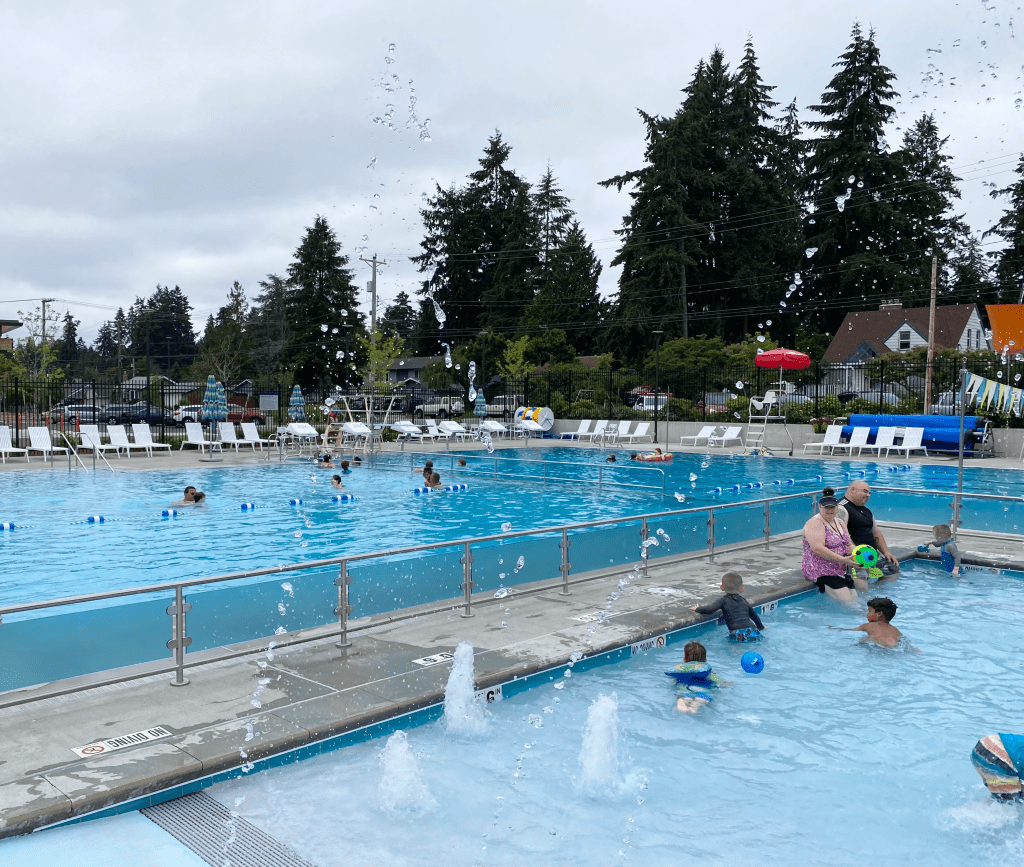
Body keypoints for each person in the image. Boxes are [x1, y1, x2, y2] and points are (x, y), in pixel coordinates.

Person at [802, 488, 860, 602]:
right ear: (819, 507)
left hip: (840, 569)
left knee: (856, 600)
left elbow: (848, 544)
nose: (829, 510)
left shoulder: (839, 522)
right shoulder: (814, 523)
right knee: (849, 603)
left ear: (837, 508)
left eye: (832, 507)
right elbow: (817, 548)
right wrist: (843, 560)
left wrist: (858, 555)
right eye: (826, 507)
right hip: (821, 571)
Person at [838, 481, 900, 576]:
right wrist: (857, 555)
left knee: (893, 572)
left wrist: (886, 552)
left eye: (869, 493)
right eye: (865, 491)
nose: (868, 495)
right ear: (852, 490)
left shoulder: (866, 511)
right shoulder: (841, 507)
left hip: (870, 554)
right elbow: (840, 535)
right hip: (853, 556)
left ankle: (876, 590)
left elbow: (876, 532)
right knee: (862, 583)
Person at [690, 572, 765, 641]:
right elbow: (754, 616)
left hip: (736, 633)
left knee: (734, 647)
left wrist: (697, 609)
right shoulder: (743, 600)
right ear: (741, 589)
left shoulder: (723, 600)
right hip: (752, 630)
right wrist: (761, 627)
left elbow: (710, 609)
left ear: (722, 587)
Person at [668, 641, 726, 714]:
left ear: (684, 660)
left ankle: (681, 704)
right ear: (705, 661)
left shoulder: (680, 671)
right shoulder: (709, 672)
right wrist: (727, 683)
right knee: (700, 700)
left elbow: (672, 682)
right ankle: (694, 707)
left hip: (685, 690)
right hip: (702, 691)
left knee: (681, 698)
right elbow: (721, 683)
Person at [830, 597, 902, 648]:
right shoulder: (896, 630)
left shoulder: (868, 625)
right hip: (893, 647)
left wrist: (835, 628)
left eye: (869, 611)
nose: (867, 614)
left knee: (863, 640)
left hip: (877, 644)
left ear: (879, 614)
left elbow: (851, 630)